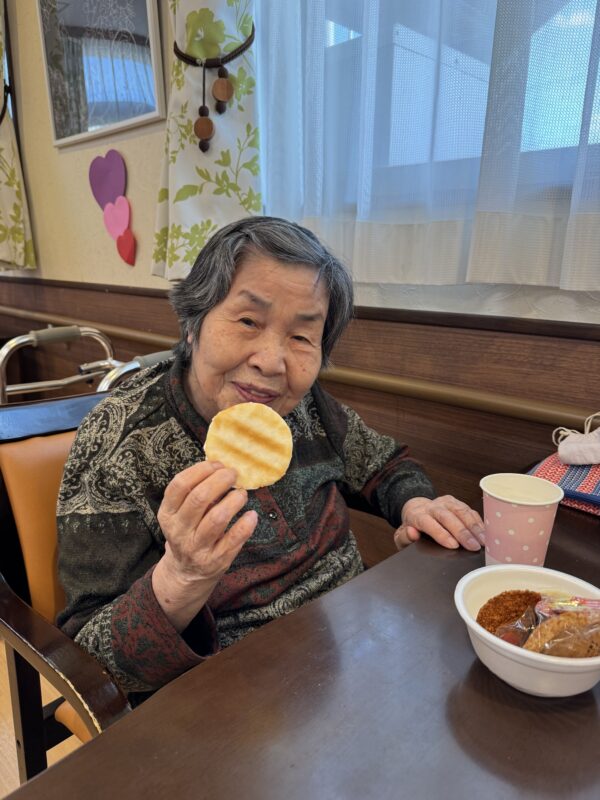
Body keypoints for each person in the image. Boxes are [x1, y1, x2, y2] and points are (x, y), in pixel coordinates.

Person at [57, 216, 485, 699]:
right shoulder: (118, 442)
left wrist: (415, 504)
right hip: (228, 688)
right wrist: (182, 578)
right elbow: (88, 661)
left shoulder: (304, 405)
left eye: (301, 337)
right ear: (193, 324)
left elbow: (382, 463)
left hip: (352, 640)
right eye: (248, 321)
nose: (271, 361)